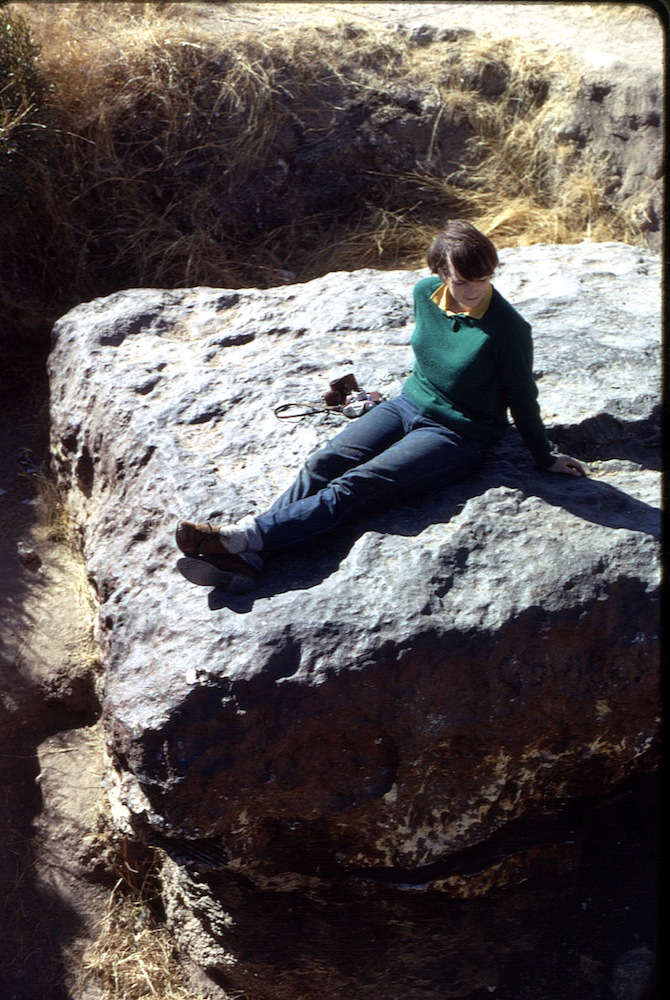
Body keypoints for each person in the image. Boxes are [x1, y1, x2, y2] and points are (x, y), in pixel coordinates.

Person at [176, 220, 587, 593]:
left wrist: (542, 455)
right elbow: (431, 354)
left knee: (357, 484)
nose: (474, 290)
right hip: (407, 403)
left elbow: (522, 398)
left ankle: (238, 539)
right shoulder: (425, 294)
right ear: (440, 274)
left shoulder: (509, 330)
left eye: (483, 279)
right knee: (323, 462)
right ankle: (248, 559)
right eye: (463, 281)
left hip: (459, 433)